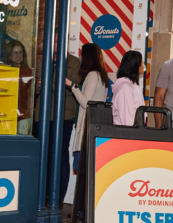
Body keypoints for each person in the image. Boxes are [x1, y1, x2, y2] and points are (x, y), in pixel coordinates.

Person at [34, 33, 82, 207]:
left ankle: (58, 198)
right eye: (54, 41)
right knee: (44, 154)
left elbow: (74, 88)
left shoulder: (74, 62)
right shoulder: (43, 61)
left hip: (64, 115)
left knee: (61, 155)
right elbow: (36, 89)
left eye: (59, 40)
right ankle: (43, 195)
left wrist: (48, 83)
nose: (56, 44)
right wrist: (38, 86)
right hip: (43, 114)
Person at [66, 43, 109, 173]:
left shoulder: (92, 75)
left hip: (87, 128)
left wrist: (72, 86)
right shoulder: (101, 75)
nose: (79, 58)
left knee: (79, 167)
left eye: (81, 54)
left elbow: (86, 103)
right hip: (95, 126)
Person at [6, 40, 33, 135]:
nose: (18, 55)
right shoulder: (6, 71)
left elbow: (30, 96)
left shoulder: (28, 72)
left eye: (20, 52)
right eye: (15, 52)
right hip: (8, 115)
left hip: (23, 115)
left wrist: (27, 112)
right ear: (9, 55)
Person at [112, 50, 145, 126]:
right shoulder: (125, 88)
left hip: (136, 131)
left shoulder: (134, 85)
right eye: (142, 63)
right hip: (126, 134)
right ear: (135, 66)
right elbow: (127, 120)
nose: (144, 66)